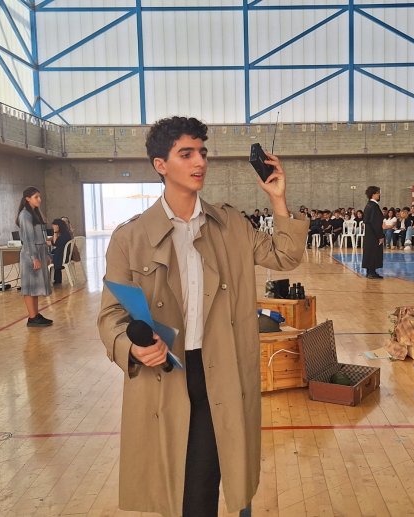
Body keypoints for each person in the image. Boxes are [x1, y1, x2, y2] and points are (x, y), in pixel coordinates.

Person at [97, 116, 308, 517]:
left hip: (220, 371)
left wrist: (278, 200)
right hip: (166, 374)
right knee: (172, 487)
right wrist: (132, 348)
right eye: (186, 153)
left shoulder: (230, 225)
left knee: (202, 488)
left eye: (203, 152)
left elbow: (285, 255)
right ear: (160, 164)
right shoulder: (130, 238)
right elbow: (111, 314)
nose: (200, 162)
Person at [16, 186, 53, 327]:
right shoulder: (25, 215)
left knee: (36, 286)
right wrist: (34, 257)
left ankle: (35, 314)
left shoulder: (35, 213)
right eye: (36, 197)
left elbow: (42, 237)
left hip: (40, 252)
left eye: (39, 196)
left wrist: (46, 254)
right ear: (27, 199)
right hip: (30, 254)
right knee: (30, 286)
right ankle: (32, 317)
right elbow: (28, 239)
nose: (39, 199)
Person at [362, 186, 384, 278]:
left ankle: (369, 272)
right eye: (378, 193)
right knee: (374, 252)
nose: (379, 195)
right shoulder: (374, 206)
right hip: (374, 234)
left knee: (369, 252)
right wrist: (380, 236)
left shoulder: (368, 205)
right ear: (373, 194)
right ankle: (371, 272)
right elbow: (376, 222)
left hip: (369, 233)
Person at [49, 218, 71, 284]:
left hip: (62, 257)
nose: (53, 228)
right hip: (63, 255)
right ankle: (55, 279)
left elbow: (55, 243)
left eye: (54, 227)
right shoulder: (65, 233)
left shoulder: (64, 235)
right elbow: (55, 243)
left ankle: (49, 280)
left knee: (44, 258)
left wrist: (55, 232)